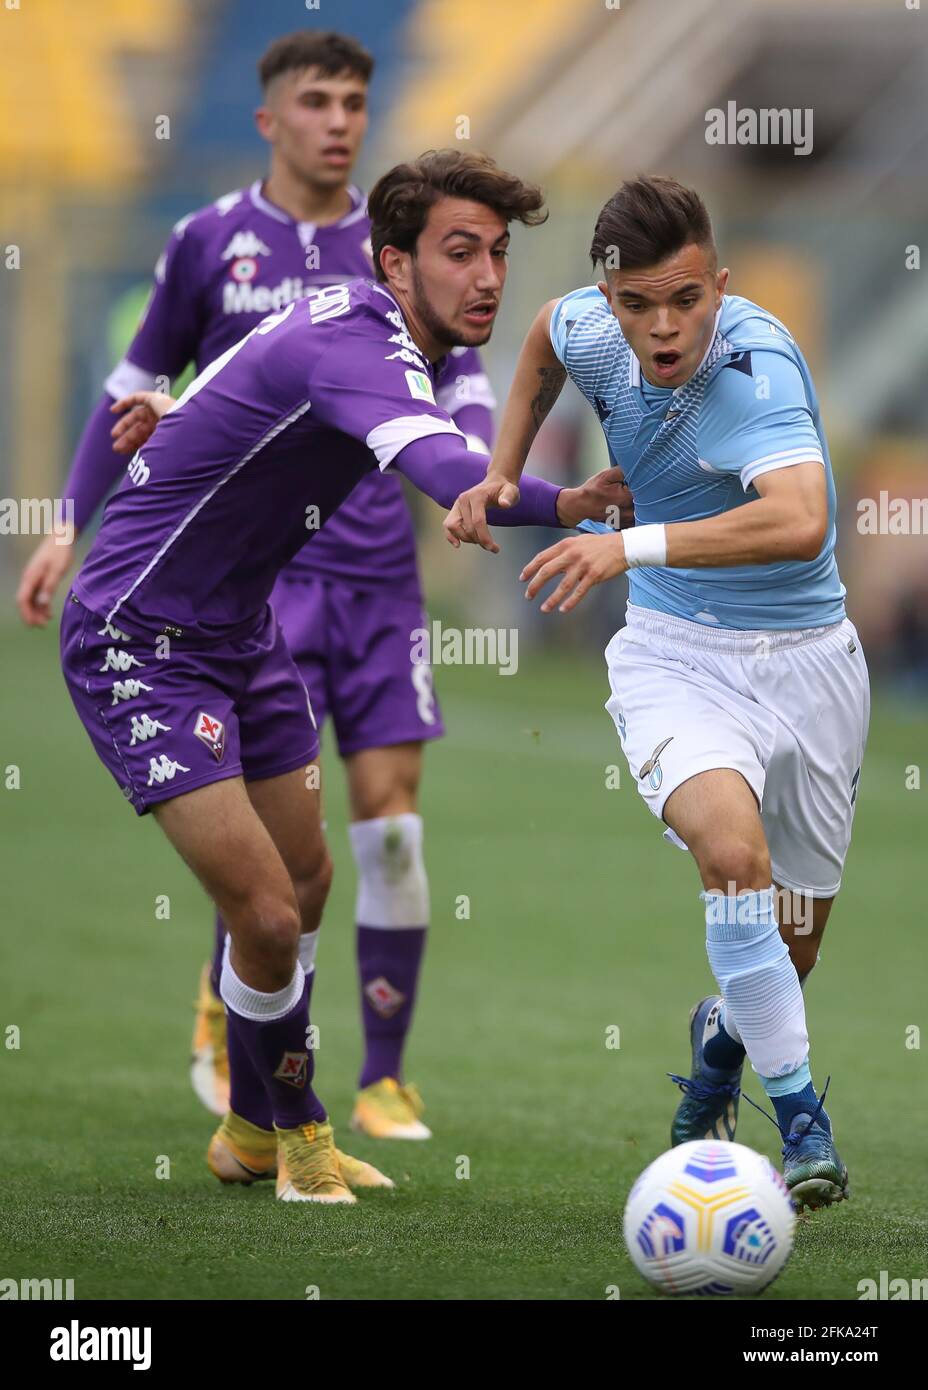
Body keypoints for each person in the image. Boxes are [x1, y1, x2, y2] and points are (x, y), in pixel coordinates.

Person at [58, 149, 625, 1204]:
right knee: (269, 915)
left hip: (239, 631)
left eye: (499, 252)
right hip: (136, 632)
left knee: (309, 880)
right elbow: (446, 470)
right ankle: (302, 1132)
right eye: (461, 251)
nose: (490, 276)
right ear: (394, 262)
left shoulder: (383, 333)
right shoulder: (355, 343)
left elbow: (424, 445)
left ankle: (245, 1131)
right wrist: (550, 502)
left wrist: (561, 500)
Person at [17, 30, 497, 1141]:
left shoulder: (411, 242)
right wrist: (63, 525)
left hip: (374, 564)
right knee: (266, 870)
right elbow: (144, 386)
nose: (340, 122)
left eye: (356, 103)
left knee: (383, 830)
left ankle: (378, 1075)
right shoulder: (207, 241)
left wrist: (480, 476)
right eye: (318, 102)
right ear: (269, 118)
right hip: (247, 576)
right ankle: (252, 1035)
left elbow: (462, 388)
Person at [444, 175, 869, 1212]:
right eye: (639, 304)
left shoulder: (752, 365)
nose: (664, 325)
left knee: (790, 942)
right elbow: (540, 341)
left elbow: (801, 520)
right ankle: (802, 1121)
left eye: (686, 298)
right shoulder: (590, 324)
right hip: (675, 653)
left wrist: (623, 544)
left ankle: (723, 1039)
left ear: (719, 284)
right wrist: (503, 471)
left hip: (811, 662)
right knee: (731, 859)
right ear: (612, 295)